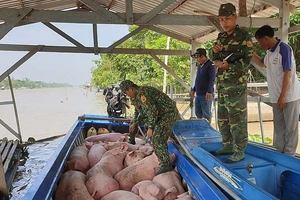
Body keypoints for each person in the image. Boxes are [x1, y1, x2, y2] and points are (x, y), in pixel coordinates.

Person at [210, 3, 253, 163]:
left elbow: (247, 61)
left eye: (227, 18)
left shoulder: (244, 36)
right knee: (222, 117)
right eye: (221, 19)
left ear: (234, 17)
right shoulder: (221, 37)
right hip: (222, 84)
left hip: (236, 86)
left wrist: (230, 66)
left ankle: (240, 150)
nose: (224, 22)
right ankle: (227, 144)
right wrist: (213, 53)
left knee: (237, 118)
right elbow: (214, 58)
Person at [252, 25, 300, 156]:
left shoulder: (284, 49)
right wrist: (249, 51)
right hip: (275, 96)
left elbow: (287, 73)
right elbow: (262, 63)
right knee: (279, 127)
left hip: (289, 96)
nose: (259, 44)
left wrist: (283, 95)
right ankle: (279, 153)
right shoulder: (269, 52)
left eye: (259, 41)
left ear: (266, 38)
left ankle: (289, 155)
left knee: (291, 127)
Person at [120, 80, 180, 175]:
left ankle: (166, 164)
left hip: (168, 113)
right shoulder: (136, 96)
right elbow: (140, 112)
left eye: (126, 92)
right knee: (143, 127)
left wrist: (151, 128)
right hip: (160, 114)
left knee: (157, 137)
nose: (126, 95)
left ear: (131, 89)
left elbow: (152, 111)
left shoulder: (142, 94)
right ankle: (133, 141)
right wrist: (135, 122)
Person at [190, 48, 216, 123]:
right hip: (198, 94)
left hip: (206, 94)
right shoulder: (200, 66)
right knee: (198, 113)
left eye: (197, 57)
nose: (197, 60)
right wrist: (194, 90)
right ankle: (200, 130)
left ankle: (207, 131)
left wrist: (209, 91)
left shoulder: (211, 65)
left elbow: (212, 79)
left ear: (202, 56)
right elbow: (197, 79)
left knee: (206, 114)